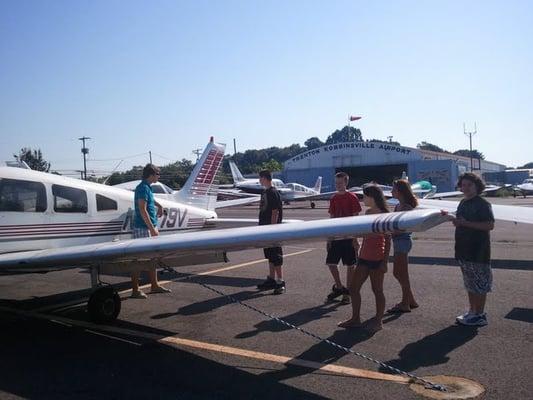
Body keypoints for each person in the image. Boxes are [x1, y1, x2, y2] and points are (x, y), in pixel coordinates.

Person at [339, 185, 391, 332]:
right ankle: (355, 319)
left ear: (372, 197)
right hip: (364, 257)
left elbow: (388, 240)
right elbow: (365, 232)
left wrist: (385, 262)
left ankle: (378, 321)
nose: (363, 199)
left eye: (365, 196)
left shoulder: (384, 214)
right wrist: (356, 238)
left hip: (377, 259)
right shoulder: (367, 213)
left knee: (377, 290)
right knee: (354, 288)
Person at [450, 173, 494, 326]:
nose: (466, 188)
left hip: (479, 251)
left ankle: (480, 314)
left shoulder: (482, 204)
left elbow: (489, 225)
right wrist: (455, 221)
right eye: (463, 185)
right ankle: (472, 311)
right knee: (469, 283)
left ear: (477, 186)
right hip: (463, 250)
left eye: (469, 185)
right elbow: (461, 221)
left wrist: (466, 223)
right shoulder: (462, 202)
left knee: (480, 284)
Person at [130, 164, 171, 299]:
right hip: (143, 228)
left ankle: (154, 285)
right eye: (157, 174)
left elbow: (150, 201)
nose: (158, 176)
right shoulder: (142, 188)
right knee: (138, 260)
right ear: (151, 175)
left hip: (149, 226)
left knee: (152, 258)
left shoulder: (147, 187)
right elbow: (142, 208)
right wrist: (152, 229)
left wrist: (160, 206)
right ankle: (135, 290)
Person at [325, 172, 362, 304]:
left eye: (340, 183)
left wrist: (355, 238)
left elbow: (355, 219)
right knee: (331, 263)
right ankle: (340, 287)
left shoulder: (352, 197)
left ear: (346, 183)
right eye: (336, 183)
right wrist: (329, 238)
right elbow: (332, 218)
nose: (338, 185)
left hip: (349, 237)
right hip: (336, 237)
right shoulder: (334, 198)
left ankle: (348, 295)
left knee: (350, 265)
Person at [387, 179, 419, 313]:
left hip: (403, 241)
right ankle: (410, 300)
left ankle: (405, 303)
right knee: (400, 273)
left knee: (401, 273)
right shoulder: (398, 206)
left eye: (393, 189)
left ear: (400, 191)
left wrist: (391, 232)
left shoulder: (406, 207)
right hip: (398, 241)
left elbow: (407, 228)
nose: (391, 191)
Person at [256, 170, 285, 294]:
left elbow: (275, 211)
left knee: (276, 256)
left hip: (272, 230)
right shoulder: (265, 192)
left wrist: (272, 229)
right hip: (265, 229)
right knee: (270, 255)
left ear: (265, 178)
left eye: (260, 178)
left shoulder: (273, 192)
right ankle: (271, 279)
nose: (259, 180)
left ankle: (280, 282)